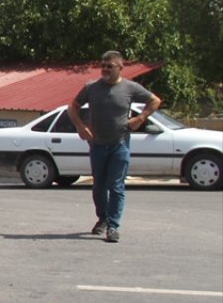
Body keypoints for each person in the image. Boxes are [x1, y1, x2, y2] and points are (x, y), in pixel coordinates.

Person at [67, 50, 161, 243]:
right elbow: (73, 107)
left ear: (120, 68)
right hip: (98, 145)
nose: (105, 69)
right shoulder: (91, 88)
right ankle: (103, 218)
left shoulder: (130, 88)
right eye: (103, 66)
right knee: (99, 186)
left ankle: (113, 227)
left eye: (110, 66)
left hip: (119, 144)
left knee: (116, 186)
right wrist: (80, 126)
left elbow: (155, 100)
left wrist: (140, 118)